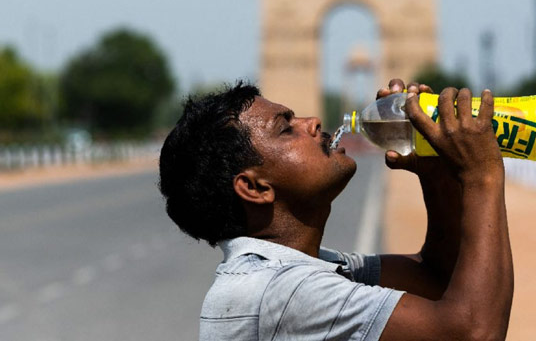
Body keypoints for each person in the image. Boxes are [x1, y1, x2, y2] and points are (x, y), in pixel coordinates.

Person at [158, 78, 514, 341]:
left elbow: (436, 279)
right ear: (254, 187)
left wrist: (436, 176)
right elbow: (474, 333)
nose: (312, 122)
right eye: (286, 129)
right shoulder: (281, 292)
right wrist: (481, 176)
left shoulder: (294, 270)